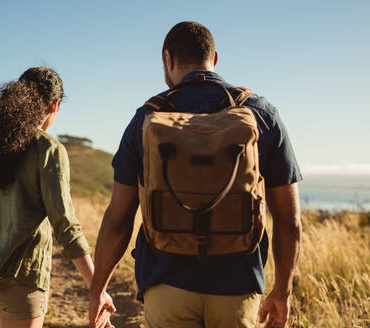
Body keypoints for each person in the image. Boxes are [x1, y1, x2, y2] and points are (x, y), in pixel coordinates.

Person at [89, 22, 302, 328]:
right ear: (214, 58)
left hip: (167, 285)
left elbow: (118, 219)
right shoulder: (261, 114)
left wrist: (98, 289)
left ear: (167, 58)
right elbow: (288, 219)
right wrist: (283, 292)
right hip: (237, 287)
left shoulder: (147, 118)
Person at [0, 67, 115, 328]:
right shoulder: (47, 150)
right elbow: (65, 226)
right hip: (22, 278)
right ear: (55, 104)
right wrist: (97, 288)